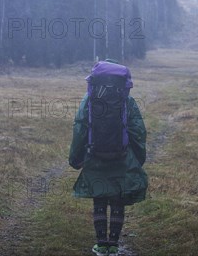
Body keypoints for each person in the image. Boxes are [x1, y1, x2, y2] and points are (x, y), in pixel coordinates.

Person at [69, 59, 148, 256]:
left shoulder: (89, 99)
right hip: (122, 158)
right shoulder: (127, 102)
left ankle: (101, 245)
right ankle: (113, 245)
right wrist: (138, 158)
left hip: (95, 156)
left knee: (100, 201)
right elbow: (138, 131)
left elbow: (80, 129)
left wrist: (76, 157)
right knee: (117, 200)